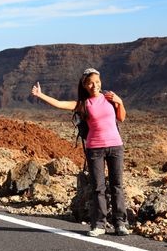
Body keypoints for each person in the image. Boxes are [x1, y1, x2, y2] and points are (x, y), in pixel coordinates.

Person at [31, 68, 129, 237]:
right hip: (95, 148)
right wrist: (41, 95)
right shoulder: (83, 104)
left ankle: (120, 223)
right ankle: (99, 224)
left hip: (115, 147)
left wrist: (120, 101)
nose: (95, 85)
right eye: (91, 83)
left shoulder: (109, 98)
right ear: (84, 85)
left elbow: (121, 118)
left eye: (97, 82)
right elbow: (60, 103)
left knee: (117, 186)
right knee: (98, 188)